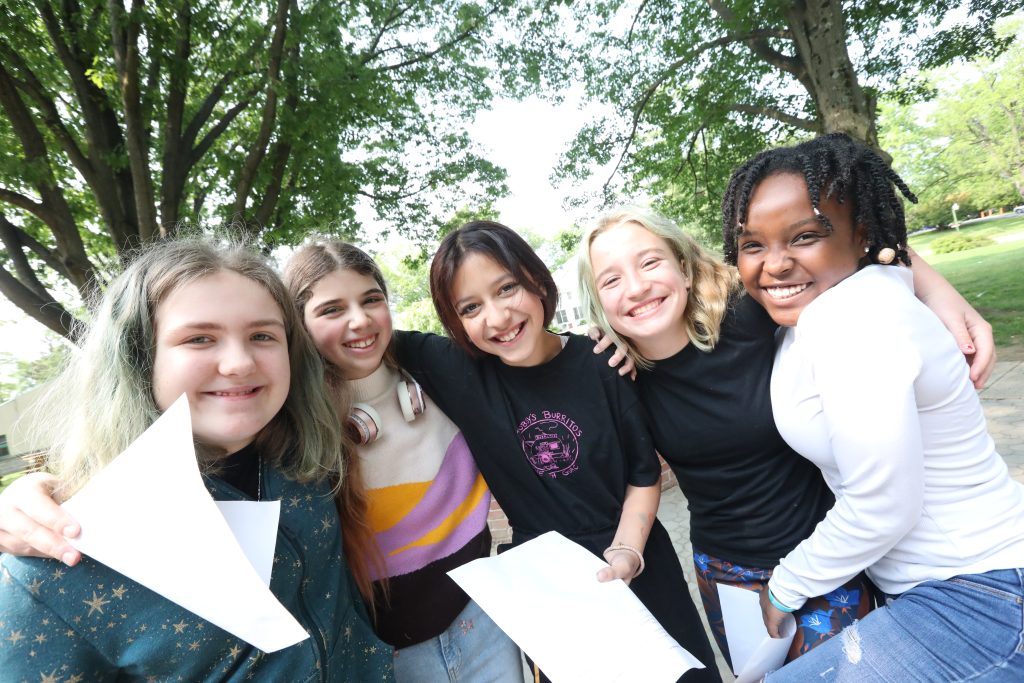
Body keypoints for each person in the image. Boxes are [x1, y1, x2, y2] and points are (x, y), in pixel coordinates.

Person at [579, 202, 996, 671]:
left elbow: (861, 250)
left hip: (821, 557)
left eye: (649, 262)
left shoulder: (746, 315)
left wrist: (951, 304)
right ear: (598, 300)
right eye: (610, 279)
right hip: (724, 571)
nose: (635, 287)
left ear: (684, 268)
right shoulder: (618, 373)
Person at [0, 239, 393, 681]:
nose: (239, 363)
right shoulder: (48, 561)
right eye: (199, 338)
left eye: (262, 335)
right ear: (137, 355)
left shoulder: (309, 461)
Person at [722, 133, 1024, 681]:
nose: (776, 265)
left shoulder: (854, 320)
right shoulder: (822, 305)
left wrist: (786, 587)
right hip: (947, 587)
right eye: (752, 245)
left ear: (862, 233)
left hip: (984, 590)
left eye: (806, 236)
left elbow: (884, 504)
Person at [392, 221, 722, 683]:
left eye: (506, 288)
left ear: (534, 278)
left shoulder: (603, 360)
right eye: (470, 307)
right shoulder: (460, 373)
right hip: (548, 588)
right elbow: (361, 336)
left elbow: (643, 476)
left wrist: (626, 552)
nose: (497, 317)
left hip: (635, 561)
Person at [283, 241, 522, 682]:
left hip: (486, 621)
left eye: (371, 299)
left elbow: (530, 359)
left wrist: (595, 345)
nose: (360, 320)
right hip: (387, 656)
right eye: (332, 310)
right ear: (299, 325)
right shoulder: (290, 425)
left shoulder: (438, 375)